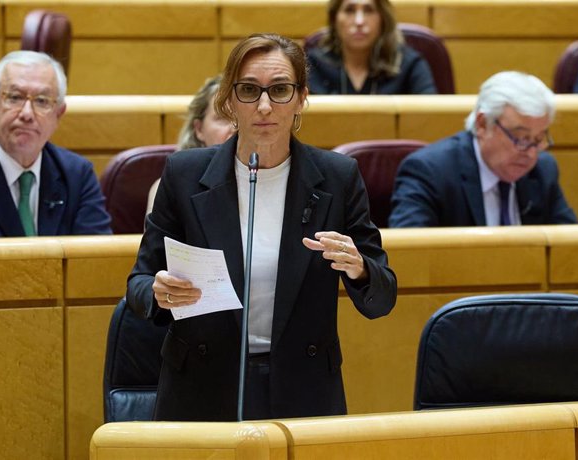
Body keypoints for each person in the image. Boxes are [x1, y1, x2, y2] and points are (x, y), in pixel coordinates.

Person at [127, 33, 396, 421]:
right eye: (250, 90)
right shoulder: (184, 175)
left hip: (303, 387)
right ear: (229, 99)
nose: (265, 106)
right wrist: (157, 292)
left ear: (301, 98)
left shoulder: (338, 178)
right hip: (203, 387)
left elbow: (383, 297)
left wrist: (359, 267)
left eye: (281, 90)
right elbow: (138, 284)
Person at [0, 51, 111, 238]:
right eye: (15, 97)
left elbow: (95, 263)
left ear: (58, 114)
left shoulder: (77, 175)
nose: (27, 114)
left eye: (42, 101)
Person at [388, 71, 578, 227]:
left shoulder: (543, 170)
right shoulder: (430, 172)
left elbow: (570, 249)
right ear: (482, 124)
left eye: (538, 139)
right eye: (520, 138)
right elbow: (411, 257)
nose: (531, 152)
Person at [146, 75, 235, 215]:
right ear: (199, 129)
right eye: (223, 118)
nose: (234, 128)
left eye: (240, 118)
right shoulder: (170, 187)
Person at [306, 0, 436, 94]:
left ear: (383, 19)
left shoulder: (410, 64)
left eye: (369, 10)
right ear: (334, 19)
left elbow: (431, 117)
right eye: (349, 10)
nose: (359, 21)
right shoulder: (313, 64)